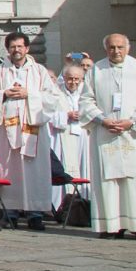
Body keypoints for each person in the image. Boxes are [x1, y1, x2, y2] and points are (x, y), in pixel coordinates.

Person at [0, 32, 61, 230]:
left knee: (35, 171)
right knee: (10, 170)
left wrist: (29, 94)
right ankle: (11, 212)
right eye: (13, 47)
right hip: (7, 132)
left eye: (20, 46)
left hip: (32, 130)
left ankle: (35, 214)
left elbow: (53, 98)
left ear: (27, 48)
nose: (17, 50)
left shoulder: (39, 71)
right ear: (8, 49)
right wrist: (4, 94)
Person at [80, 35, 136, 239]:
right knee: (109, 180)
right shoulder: (96, 70)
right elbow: (86, 100)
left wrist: (132, 121)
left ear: (128, 48)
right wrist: (101, 119)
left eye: (120, 47)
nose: (116, 51)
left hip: (133, 134)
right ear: (106, 49)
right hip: (106, 132)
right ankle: (111, 225)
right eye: (112, 47)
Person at [49, 64, 90, 214]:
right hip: (62, 136)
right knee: (65, 168)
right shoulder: (56, 92)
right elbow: (48, 114)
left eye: (77, 79)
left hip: (83, 136)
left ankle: (82, 205)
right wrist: (66, 116)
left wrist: (84, 115)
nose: (73, 82)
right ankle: (62, 206)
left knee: (83, 167)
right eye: (70, 79)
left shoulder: (86, 92)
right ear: (64, 78)